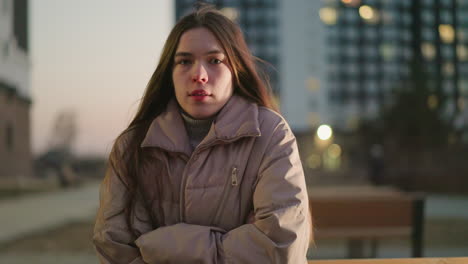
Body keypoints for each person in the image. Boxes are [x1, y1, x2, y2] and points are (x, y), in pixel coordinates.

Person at [93, 5, 311, 264]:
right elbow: (114, 248)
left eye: (215, 61)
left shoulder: (271, 134)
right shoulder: (132, 146)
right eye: (184, 61)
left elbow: (280, 247)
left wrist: (161, 247)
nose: (199, 75)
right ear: (169, 73)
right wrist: (235, 243)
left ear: (236, 70)